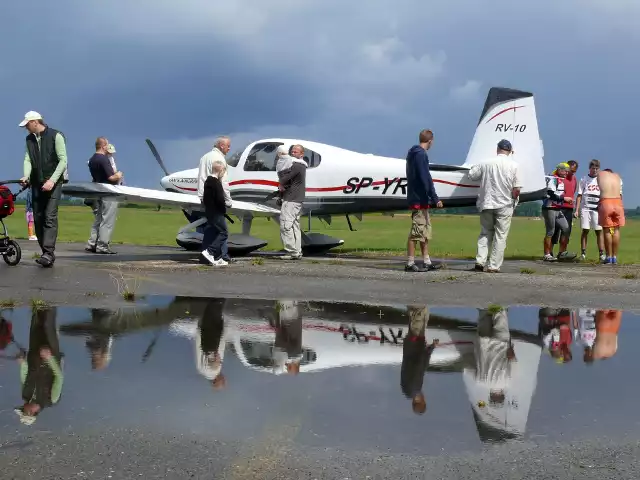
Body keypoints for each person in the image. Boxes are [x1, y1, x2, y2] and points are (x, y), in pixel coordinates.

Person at [18, 111, 68, 267]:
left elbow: (63, 160)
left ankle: (48, 253)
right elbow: (27, 158)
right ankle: (45, 252)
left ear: (35, 122)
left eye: (27, 124)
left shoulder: (56, 136)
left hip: (54, 183)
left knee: (49, 216)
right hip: (37, 183)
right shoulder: (29, 139)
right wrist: (26, 176)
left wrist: (52, 181)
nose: (26, 127)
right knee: (38, 217)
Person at [467, 139, 522, 273]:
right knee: (501, 235)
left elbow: (471, 175)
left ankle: (480, 262)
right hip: (505, 204)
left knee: (485, 233)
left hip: (487, 202)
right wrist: (514, 201)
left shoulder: (486, 163)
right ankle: (493, 266)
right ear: (509, 151)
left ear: (497, 149)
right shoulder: (514, 165)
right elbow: (516, 189)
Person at [14, 306, 64, 426]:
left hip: (34, 352)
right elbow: (59, 377)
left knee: (36, 323)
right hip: (51, 353)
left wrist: (22, 362)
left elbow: (24, 375)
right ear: (31, 413)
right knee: (47, 324)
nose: (22, 407)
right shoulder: (52, 400)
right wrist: (49, 358)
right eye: (23, 410)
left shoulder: (25, 395)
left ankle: (38, 300)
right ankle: (52, 298)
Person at [404, 129, 443, 272]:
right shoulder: (421, 155)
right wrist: (435, 198)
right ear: (430, 141)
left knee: (424, 231)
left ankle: (426, 260)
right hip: (419, 199)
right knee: (416, 232)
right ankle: (410, 263)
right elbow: (425, 177)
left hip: (419, 198)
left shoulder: (413, 154)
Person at [197, 137, 233, 264]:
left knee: (211, 227)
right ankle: (217, 254)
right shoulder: (219, 160)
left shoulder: (204, 157)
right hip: (217, 201)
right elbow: (224, 182)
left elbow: (201, 178)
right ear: (221, 146)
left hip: (206, 198)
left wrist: (201, 196)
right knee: (222, 230)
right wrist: (228, 200)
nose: (229, 148)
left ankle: (214, 255)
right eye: (228, 146)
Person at [86, 137, 123, 254]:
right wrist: (119, 175)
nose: (108, 147)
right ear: (103, 146)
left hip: (98, 190)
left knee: (98, 218)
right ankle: (102, 245)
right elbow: (111, 177)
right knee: (107, 220)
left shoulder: (92, 159)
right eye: (107, 145)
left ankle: (92, 243)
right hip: (109, 192)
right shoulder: (103, 159)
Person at [400, 305, 438, 415]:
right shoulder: (406, 390)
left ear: (423, 401)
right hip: (411, 345)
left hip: (415, 345)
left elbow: (420, 364)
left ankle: (416, 301)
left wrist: (431, 348)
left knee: (419, 318)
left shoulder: (415, 388)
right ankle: (414, 303)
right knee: (416, 321)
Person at [278, 144, 307, 260]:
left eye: (296, 152)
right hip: (297, 199)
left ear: (301, 154)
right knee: (295, 225)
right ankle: (297, 251)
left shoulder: (296, 165)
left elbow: (283, 178)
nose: (293, 153)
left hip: (291, 199)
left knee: (286, 225)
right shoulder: (301, 165)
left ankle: (291, 251)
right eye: (292, 151)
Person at [574, 159, 605, 262]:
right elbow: (579, 195)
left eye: (597, 168)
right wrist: (577, 210)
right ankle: (583, 253)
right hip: (585, 208)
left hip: (597, 209)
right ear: (589, 168)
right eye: (593, 168)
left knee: (598, 231)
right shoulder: (584, 179)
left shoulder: (601, 179)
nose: (595, 170)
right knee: (585, 230)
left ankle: (601, 254)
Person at [541, 163, 573, 261]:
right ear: (559, 170)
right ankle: (547, 254)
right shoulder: (553, 179)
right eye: (565, 171)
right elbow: (551, 195)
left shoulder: (560, 180)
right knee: (550, 231)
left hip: (557, 208)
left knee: (566, 228)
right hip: (550, 208)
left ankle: (562, 253)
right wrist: (564, 199)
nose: (567, 173)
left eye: (568, 171)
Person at [201, 161, 229, 266]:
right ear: (221, 171)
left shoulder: (207, 181)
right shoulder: (216, 183)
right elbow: (220, 199)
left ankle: (219, 257)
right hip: (217, 212)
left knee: (216, 232)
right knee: (224, 232)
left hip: (209, 212)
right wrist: (223, 210)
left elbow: (206, 199)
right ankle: (210, 251)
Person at [550, 160, 578, 259]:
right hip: (559, 206)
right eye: (570, 170)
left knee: (566, 231)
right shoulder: (559, 177)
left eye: (574, 171)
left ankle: (562, 252)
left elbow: (573, 191)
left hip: (569, 208)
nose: (571, 173)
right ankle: (550, 252)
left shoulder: (574, 179)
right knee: (555, 230)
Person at [597, 168, 625, 264]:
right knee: (616, 230)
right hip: (618, 202)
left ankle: (608, 257)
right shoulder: (617, 177)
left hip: (606, 201)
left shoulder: (601, 175)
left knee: (607, 230)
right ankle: (614, 257)